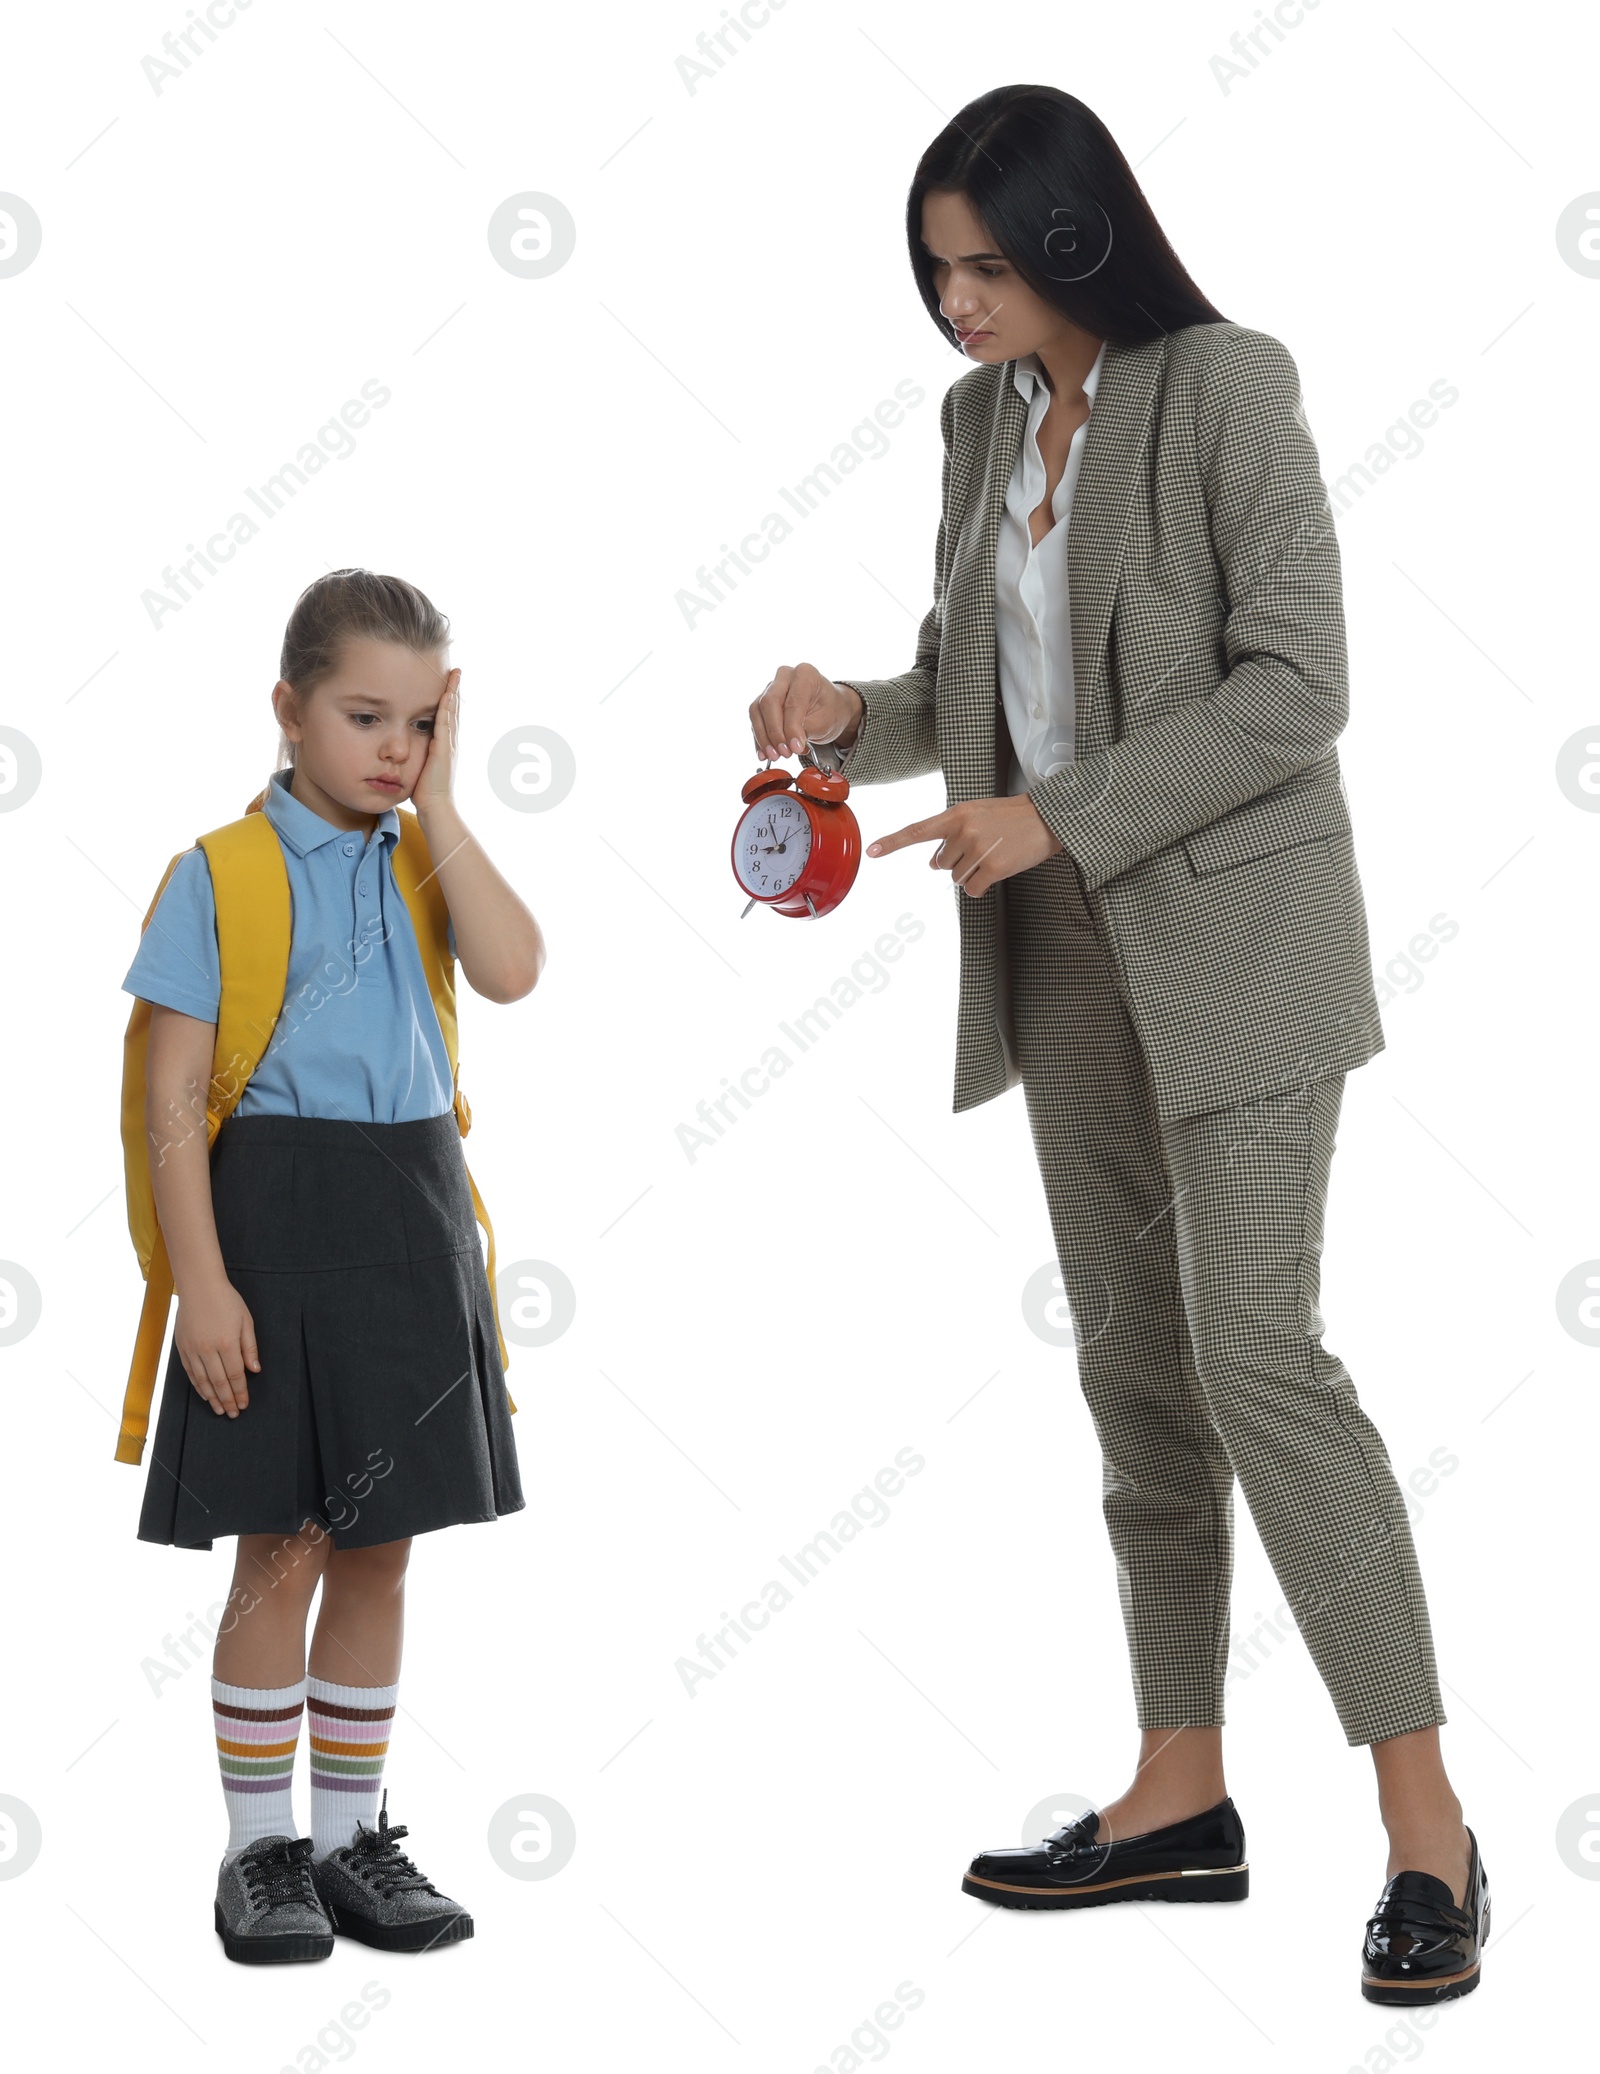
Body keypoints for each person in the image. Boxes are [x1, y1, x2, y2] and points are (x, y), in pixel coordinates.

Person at [748, 85, 1488, 2004]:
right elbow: (980, 689)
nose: (958, 306)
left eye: (986, 265)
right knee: (1140, 1380)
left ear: (1078, 237)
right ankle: (1180, 1790)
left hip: (1237, 937)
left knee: (1260, 1358)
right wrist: (852, 715)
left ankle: (1430, 1831)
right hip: (1058, 958)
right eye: (934, 273)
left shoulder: (1229, 386)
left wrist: (1059, 816)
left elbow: (1303, 682)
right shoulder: (977, 422)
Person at [120, 568, 543, 1963]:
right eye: (366, 714)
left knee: (380, 1549)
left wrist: (450, 813)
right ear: (288, 707)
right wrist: (204, 1281)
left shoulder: (423, 853)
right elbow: (171, 1095)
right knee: (282, 1547)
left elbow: (515, 969)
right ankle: (261, 1851)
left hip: (410, 1216)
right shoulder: (215, 873)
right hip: (273, 1224)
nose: (393, 747)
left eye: (421, 722)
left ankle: (355, 1836)